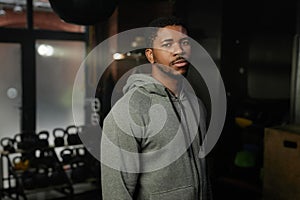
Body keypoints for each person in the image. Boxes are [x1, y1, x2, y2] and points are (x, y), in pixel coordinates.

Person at [100, 16, 213, 200]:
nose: (179, 50)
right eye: (167, 44)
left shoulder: (196, 105)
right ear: (150, 55)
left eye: (185, 42)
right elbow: (116, 193)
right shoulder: (128, 112)